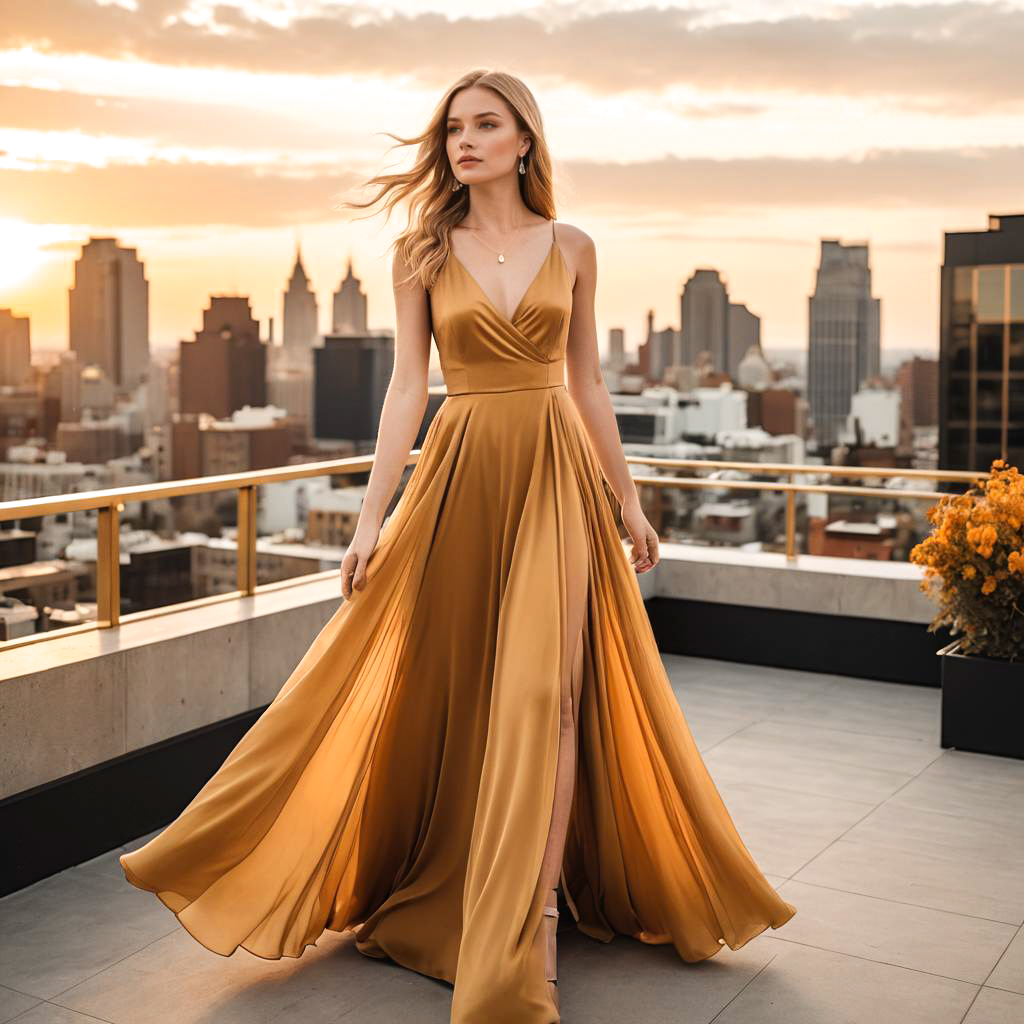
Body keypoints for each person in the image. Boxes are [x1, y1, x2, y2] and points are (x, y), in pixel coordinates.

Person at [119, 67, 796, 1024]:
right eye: (452, 130)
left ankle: (535, 923)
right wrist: (368, 517)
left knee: (546, 699)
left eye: (486, 125)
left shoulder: (575, 247)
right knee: (459, 688)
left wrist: (629, 505)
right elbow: (406, 391)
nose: (464, 142)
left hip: (555, 479)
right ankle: (444, 881)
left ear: (525, 140)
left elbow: (588, 386)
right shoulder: (422, 251)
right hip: (461, 475)